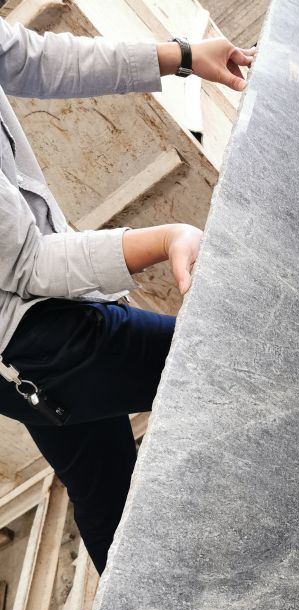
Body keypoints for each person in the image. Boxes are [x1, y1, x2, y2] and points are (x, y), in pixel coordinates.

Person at [0, 17, 254, 574]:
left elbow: (35, 58)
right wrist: (164, 239)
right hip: (34, 344)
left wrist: (183, 55)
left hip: (32, 329)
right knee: (242, 361)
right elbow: (27, 263)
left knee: (103, 488)